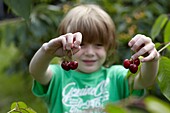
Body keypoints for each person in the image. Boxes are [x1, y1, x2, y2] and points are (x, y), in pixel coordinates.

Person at [29, 4, 160, 113]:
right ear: (67, 45)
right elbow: (37, 71)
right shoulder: (58, 76)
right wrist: (47, 51)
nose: (90, 53)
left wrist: (151, 59)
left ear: (109, 47)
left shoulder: (116, 76)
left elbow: (145, 81)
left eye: (98, 45)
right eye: (81, 45)